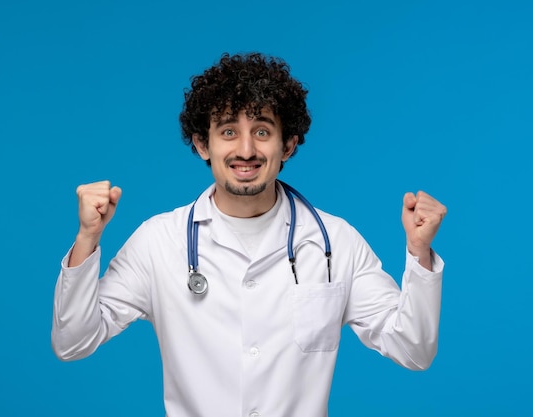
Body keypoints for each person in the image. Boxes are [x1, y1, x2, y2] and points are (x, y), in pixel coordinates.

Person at [51, 52, 447, 417]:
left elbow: (413, 349)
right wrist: (88, 239)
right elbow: (73, 342)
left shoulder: (336, 242)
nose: (245, 149)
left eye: (262, 131)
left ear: (287, 144)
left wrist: (419, 253)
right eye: (227, 132)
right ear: (202, 144)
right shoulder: (159, 242)